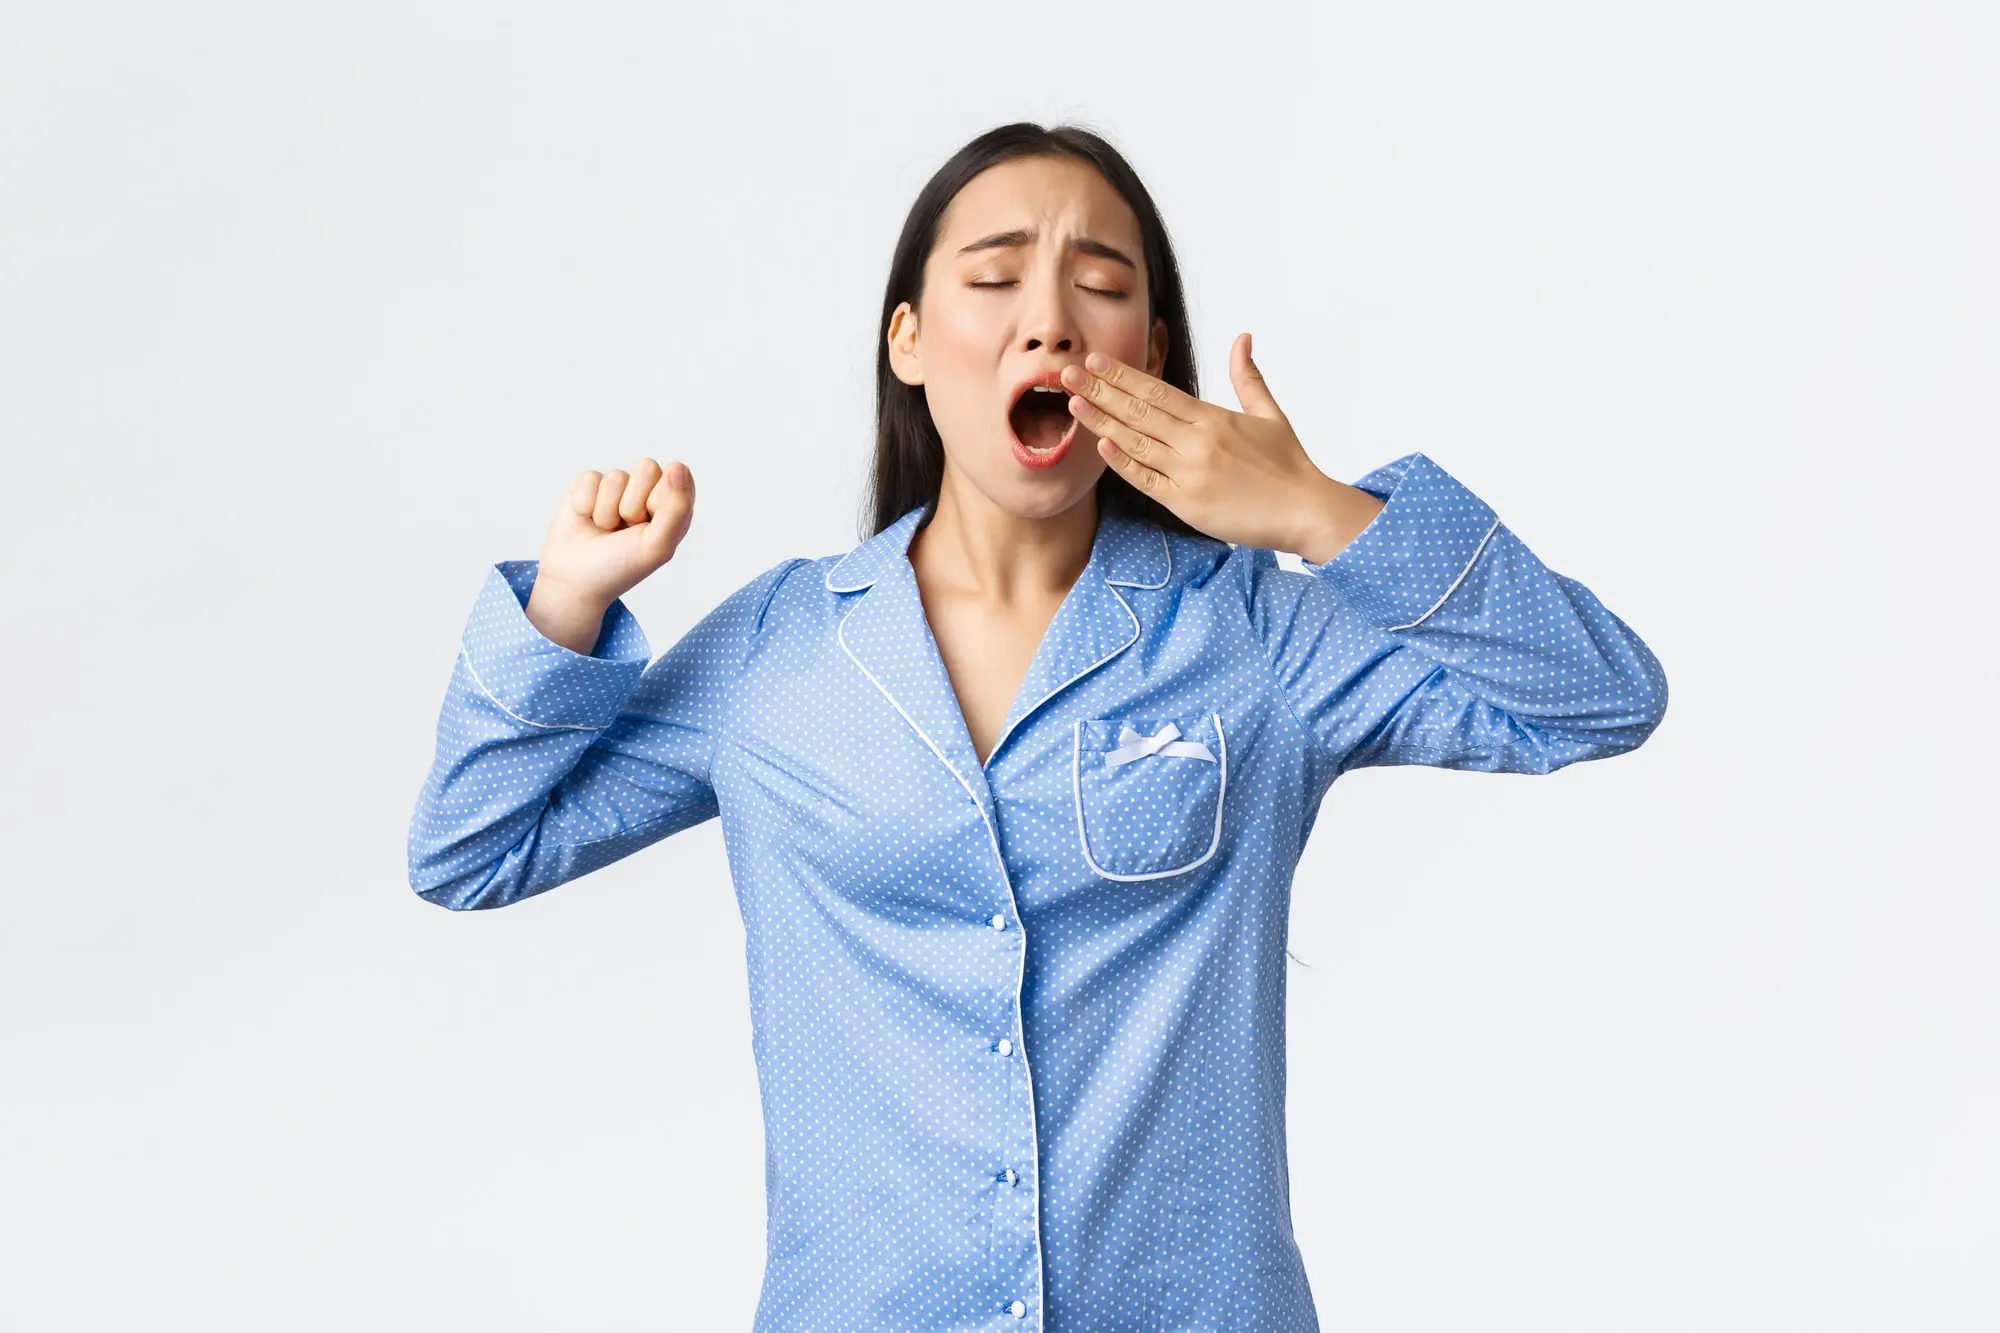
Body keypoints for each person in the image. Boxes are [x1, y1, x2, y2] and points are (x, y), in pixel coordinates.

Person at [406, 121, 1668, 1331]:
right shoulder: (779, 651)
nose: (1051, 316)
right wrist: (564, 606)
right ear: (908, 340)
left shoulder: (1253, 638)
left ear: (1149, 353)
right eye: (994, 275)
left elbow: (1600, 696)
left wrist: (1318, 514)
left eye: (1099, 284)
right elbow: (472, 849)